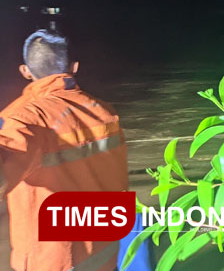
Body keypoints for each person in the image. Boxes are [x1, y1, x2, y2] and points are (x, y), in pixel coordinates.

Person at [0, 30, 128, 271]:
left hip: (54, 261)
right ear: (73, 67)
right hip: (106, 255)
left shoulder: (25, 119)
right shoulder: (106, 113)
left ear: (25, 71)